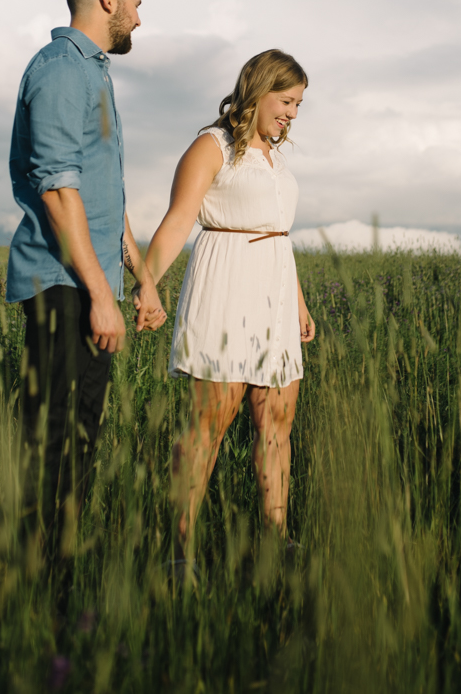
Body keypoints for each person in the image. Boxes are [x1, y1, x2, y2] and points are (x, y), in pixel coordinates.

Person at [6, 0, 166, 543]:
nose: (139, 20)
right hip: (63, 283)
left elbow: (103, 189)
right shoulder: (59, 71)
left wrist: (141, 277)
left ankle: (60, 567)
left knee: (80, 434)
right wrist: (101, 295)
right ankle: (25, 580)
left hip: (93, 283)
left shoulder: (95, 75)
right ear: (107, 0)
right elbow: (57, 188)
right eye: (137, 5)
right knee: (49, 437)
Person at [144, 49, 315, 555]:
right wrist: (147, 283)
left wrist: (299, 304)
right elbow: (178, 220)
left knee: (276, 426)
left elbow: (280, 233)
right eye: (286, 100)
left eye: (300, 104)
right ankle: (179, 548)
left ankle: (277, 541)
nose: (292, 113)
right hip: (225, 287)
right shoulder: (212, 145)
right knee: (207, 428)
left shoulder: (275, 158)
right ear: (257, 91)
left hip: (277, 295)